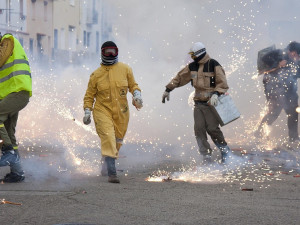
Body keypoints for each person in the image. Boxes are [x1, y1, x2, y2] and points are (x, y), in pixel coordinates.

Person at [83, 41, 143, 183]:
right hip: (102, 111)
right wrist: (87, 111)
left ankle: (105, 164)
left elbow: (133, 85)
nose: (110, 54)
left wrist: (137, 95)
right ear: (103, 53)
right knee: (108, 137)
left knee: (117, 141)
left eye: (113, 51)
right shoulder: (95, 75)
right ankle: (112, 172)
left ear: (117, 52)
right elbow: (89, 96)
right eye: (107, 52)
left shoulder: (125, 69)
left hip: (122, 112)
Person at [162, 42, 231, 163]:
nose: (192, 57)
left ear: (199, 53)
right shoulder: (192, 67)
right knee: (199, 129)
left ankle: (225, 151)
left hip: (211, 104)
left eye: (193, 55)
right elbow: (179, 78)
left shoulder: (214, 65)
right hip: (198, 104)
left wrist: (216, 94)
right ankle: (206, 156)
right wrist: (168, 89)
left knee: (213, 129)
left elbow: (223, 83)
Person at [0, 33, 32, 182]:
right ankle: (18, 173)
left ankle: (8, 152)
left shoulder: (7, 40)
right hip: (11, 94)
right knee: (8, 131)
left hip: (18, 92)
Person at [255, 41, 300, 142]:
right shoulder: (278, 53)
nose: (298, 57)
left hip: (290, 90)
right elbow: (264, 60)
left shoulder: (297, 61)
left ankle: (293, 138)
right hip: (274, 88)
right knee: (274, 111)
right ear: (292, 52)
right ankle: (259, 132)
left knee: (293, 112)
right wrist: (278, 64)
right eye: (297, 54)